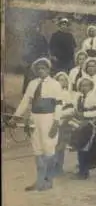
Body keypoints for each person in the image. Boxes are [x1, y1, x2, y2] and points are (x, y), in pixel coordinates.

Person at [10, 58, 62, 191]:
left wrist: (56, 122)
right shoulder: (32, 83)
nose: (41, 71)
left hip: (49, 118)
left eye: (43, 68)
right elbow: (25, 101)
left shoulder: (55, 84)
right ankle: (39, 180)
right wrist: (16, 116)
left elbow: (59, 105)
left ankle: (48, 180)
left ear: (48, 69)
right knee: (37, 148)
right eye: (38, 68)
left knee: (49, 148)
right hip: (35, 118)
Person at [70, 76, 96, 180]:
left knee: (86, 148)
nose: (84, 87)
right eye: (82, 85)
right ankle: (81, 169)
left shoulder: (93, 97)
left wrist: (83, 114)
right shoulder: (79, 97)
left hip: (89, 124)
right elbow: (74, 108)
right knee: (79, 147)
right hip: (79, 124)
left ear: (91, 86)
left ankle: (85, 171)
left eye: (86, 85)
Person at [22, 21, 49, 94]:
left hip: (39, 58)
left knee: (38, 75)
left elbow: (45, 48)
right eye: (35, 27)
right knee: (29, 75)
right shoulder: (29, 37)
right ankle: (26, 91)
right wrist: (28, 58)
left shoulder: (42, 37)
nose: (36, 29)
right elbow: (25, 48)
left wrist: (44, 56)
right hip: (31, 59)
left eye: (37, 27)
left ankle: (37, 91)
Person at [53, 72, 73, 175]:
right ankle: (53, 167)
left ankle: (59, 167)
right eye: (59, 79)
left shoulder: (66, 94)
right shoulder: (51, 93)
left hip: (62, 122)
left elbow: (70, 109)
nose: (61, 82)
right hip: (52, 122)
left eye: (63, 80)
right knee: (52, 145)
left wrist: (59, 115)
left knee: (60, 145)